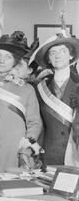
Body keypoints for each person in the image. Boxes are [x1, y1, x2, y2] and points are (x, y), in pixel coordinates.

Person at [0, 32, 43, 173]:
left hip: (14, 152)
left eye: (7, 57)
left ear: (15, 61)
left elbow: (34, 123)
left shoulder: (27, 89)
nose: (2, 61)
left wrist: (27, 147)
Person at [34, 33, 79, 166]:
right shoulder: (40, 88)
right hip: (49, 155)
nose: (57, 55)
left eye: (62, 51)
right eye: (52, 52)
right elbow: (38, 123)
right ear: (48, 59)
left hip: (75, 154)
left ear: (71, 56)